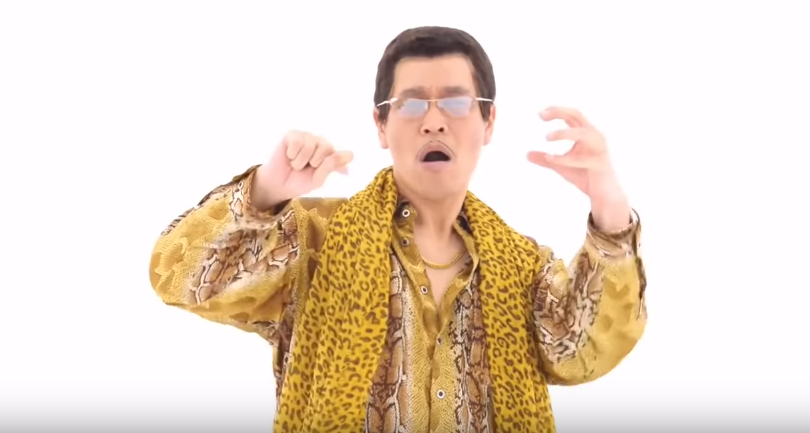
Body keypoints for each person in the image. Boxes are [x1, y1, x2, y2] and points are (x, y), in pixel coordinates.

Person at [149, 25, 647, 432]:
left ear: (488, 122)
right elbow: (177, 276)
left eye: (456, 103)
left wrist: (609, 207)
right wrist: (265, 191)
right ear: (381, 126)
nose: (433, 121)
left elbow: (583, 353)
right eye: (410, 104)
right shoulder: (313, 241)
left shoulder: (523, 268)